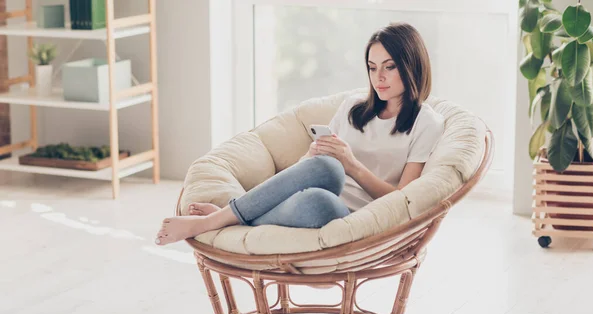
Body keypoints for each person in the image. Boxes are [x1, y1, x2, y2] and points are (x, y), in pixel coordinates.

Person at [155, 22, 444, 246]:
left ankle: (222, 219)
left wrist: (353, 166)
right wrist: (314, 155)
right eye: (371, 67)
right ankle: (225, 218)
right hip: (310, 191)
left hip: (352, 216)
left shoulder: (426, 122)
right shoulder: (353, 107)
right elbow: (311, 168)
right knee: (326, 167)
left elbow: (404, 200)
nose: (378, 77)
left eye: (389, 67)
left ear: (410, 65)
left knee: (322, 203)